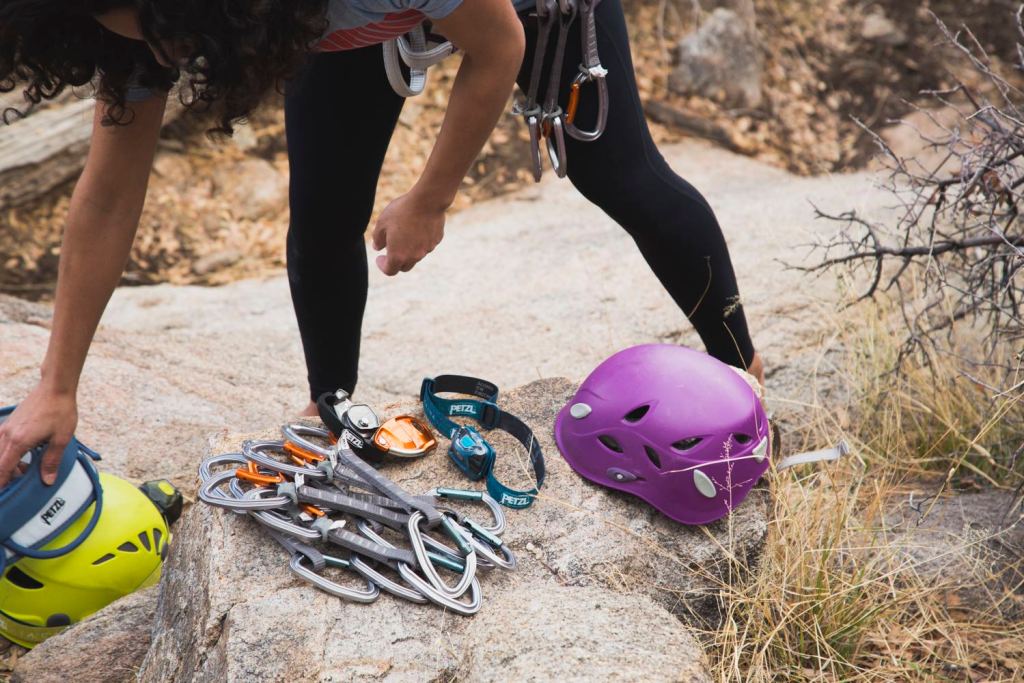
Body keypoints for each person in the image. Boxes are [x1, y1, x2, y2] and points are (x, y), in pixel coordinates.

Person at [0, 0, 763, 489]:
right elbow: (105, 198)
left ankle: (743, 385)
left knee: (619, 174)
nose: (164, 60)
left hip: (504, 7)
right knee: (325, 209)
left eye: (168, 35)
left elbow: (498, 44)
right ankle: (329, 409)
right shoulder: (134, 18)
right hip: (323, 16)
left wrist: (430, 200)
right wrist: (57, 385)